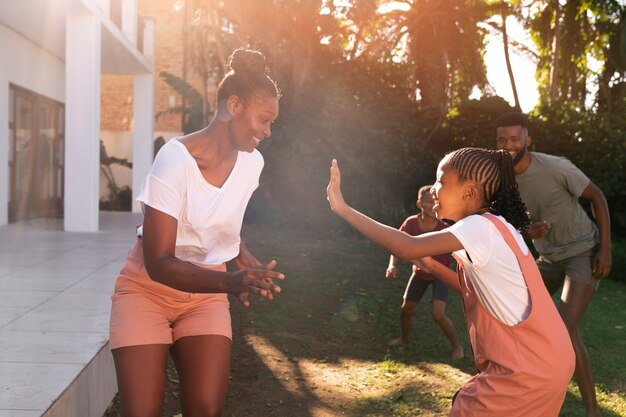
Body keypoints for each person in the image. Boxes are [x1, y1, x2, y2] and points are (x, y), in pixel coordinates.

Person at [326, 148, 575, 416]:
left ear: (470, 192)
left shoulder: (478, 228)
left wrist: (342, 207)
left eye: (441, 182)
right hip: (552, 359)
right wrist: (432, 265)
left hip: (524, 370)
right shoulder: (500, 227)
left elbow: (405, 247)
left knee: (467, 408)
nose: (433, 189)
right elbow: (476, 292)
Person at [108, 49, 285, 417]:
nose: (268, 132)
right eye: (264, 120)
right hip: (147, 290)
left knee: (205, 409)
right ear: (234, 105)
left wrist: (237, 251)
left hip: (204, 298)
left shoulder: (253, 163)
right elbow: (158, 262)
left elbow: (215, 215)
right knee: (142, 412)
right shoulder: (175, 159)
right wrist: (232, 283)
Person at [495, 112, 612, 417]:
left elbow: (597, 197)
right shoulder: (502, 180)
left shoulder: (556, 166)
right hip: (547, 257)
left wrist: (606, 248)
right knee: (514, 314)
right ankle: (522, 385)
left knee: (566, 326)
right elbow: (506, 226)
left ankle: (592, 410)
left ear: (527, 140)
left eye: (515, 139)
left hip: (581, 251)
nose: (508, 145)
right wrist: (526, 232)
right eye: (502, 139)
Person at [385, 185, 464, 359]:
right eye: (428, 201)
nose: (432, 205)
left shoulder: (444, 228)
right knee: (406, 309)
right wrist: (392, 265)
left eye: (435, 201)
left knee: (438, 314)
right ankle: (404, 339)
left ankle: (457, 347)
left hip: (440, 276)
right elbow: (397, 245)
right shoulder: (411, 223)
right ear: (420, 203)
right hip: (420, 274)